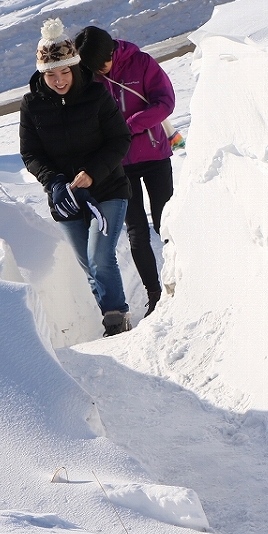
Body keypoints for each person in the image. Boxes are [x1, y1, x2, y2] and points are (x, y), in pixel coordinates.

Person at [20, 19, 134, 337]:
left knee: (100, 256)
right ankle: (110, 312)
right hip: (65, 198)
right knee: (88, 263)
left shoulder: (96, 95)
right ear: (42, 73)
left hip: (107, 188)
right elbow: (30, 154)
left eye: (65, 72)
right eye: (51, 74)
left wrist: (93, 173)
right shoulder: (32, 105)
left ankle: (116, 318)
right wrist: (54, 181)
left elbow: (120, 139)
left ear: (74, 67)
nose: (59, 80)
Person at [75, 26, 176, 317]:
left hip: (155, 156)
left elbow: (165, 102)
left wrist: (129, 126)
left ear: (112, 51)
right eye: (93, 68)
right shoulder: (91, 75)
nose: (100, 70)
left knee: (164, 223)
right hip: (118, 165)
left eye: (102, 64)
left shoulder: (141, 63)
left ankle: (181, 281)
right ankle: (154, 294)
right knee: (136, 232)